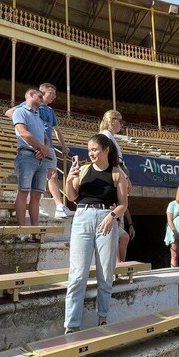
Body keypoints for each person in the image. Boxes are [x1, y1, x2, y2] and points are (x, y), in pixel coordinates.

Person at [63, 134, 129, 333]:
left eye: (94, 149)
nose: (90, 153)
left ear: (106, 149)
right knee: (77, 274)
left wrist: (112, 215)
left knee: (105, 272)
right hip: (82, 217)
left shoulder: (118, 173)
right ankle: (71, 324)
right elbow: (72, 197)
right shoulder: (83, 170)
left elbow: (123, 204)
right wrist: (69, 180)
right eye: (89, 149)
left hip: (106, 219)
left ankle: (103, 317)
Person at [5, 83, 74, 220]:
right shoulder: (27, 109)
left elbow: (55, 130)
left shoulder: (46, 111)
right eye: (50, 93)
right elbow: (9, 113)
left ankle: (58, 206)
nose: (53, 96)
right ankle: (28, 219)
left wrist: (58, 146)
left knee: (52, 175)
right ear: (38, 93)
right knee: (27, 188)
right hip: (32, 148)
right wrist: (22, 120)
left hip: (47, 146)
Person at [99, 110, 135, 262]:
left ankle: (118, 263)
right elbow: (113, 160)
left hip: (118, 170)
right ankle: (117, 264)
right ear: (112, 120)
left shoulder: (109, 136)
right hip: (116, 172)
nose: (121, 124)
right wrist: (125, 177)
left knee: (120, 232)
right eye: (120, 121)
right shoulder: (106, 136)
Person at [12, 88, 51, 227]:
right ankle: (21, 228)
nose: (42, 98)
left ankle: (34, 229)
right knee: (24, 191)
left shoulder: (39, 118)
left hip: (40, 157)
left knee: (36, 195)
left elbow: (46, 138)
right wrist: (42, 147)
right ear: (30, 95)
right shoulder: (20, 111)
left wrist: (44, 148)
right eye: (40, 96)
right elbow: (23, 133)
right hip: (27, 154)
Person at [164, 200, 179, 267]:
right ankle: (175, 273)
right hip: (174, 231)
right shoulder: (172, 204)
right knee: (175, 255)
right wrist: (175, 232)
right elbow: (169, 220)